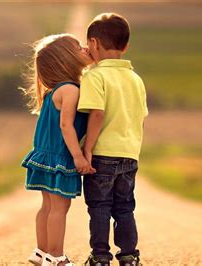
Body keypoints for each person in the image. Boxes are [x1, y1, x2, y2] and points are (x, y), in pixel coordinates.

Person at [77, 13, 148, 266]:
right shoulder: (136, 79)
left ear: (93, 44)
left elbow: (96, 113)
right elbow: (140, 118)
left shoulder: (95, 77)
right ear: (125, 46)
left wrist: (87, 150)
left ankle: (100, 257)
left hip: (102, 155)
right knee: (125, 207)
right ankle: (129, 256)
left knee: (99, 207)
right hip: (129, 154)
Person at [21, 33, 95, 266]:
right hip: (60, 156)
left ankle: (41, 252)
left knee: (48, 206)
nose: (85, 48)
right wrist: (77, 156)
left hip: (44, 155)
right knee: (60, 208)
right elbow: (65, 125)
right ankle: (56, 256)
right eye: (78, 47)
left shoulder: (54, 91)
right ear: (66, 58)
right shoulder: (71, 90)